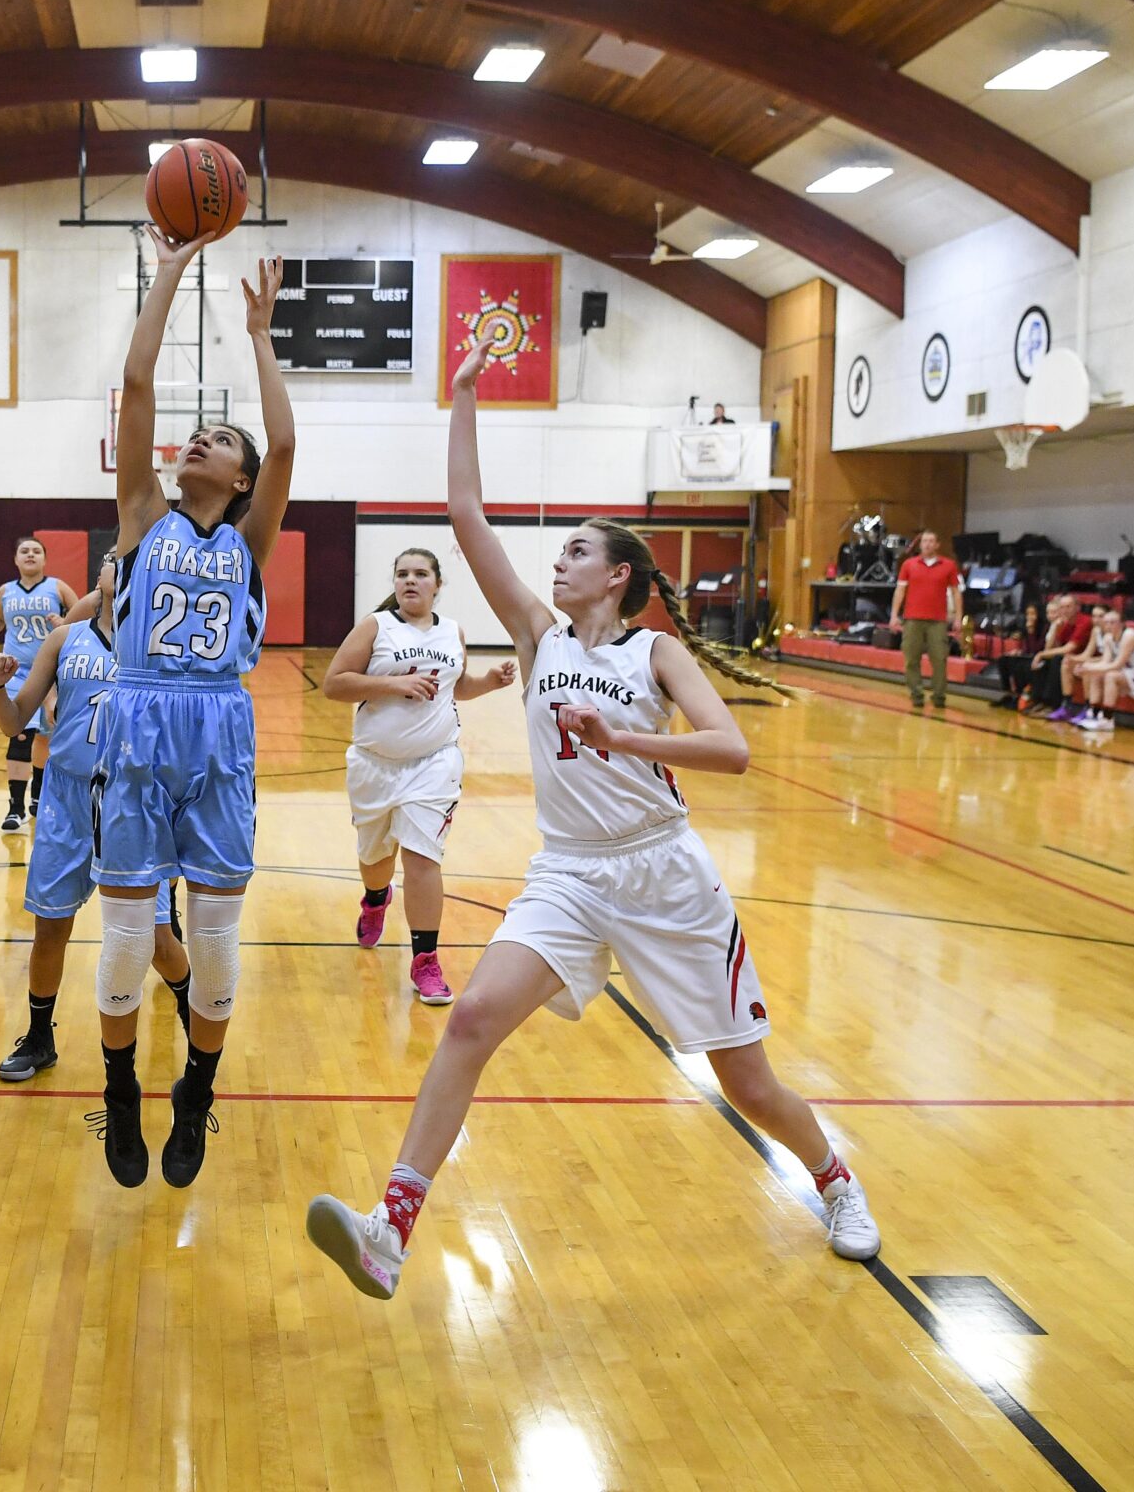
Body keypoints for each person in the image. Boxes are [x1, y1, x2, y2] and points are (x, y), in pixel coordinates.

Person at [304, 339, 875, 1303]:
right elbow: (464, 514)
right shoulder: (536, 635)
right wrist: (464, 396)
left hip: (663, 874)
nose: (557, 561)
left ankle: (836, 1180)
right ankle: (390, 1231)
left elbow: (731, 750)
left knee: (747, 1082)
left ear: (616, 577)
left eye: (576, 551)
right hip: (569, 871)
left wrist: (623, 740)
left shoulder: (654, 654)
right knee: (474, 1019)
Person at [90, 232, 296, 1190]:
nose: (195, 441)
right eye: (195, 436)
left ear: (244, 480)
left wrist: (260, 334)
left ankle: (197, 1091)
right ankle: (122, 1090)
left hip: (218, 727)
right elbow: (137, 388)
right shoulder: (141, 514)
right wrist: (171, 267)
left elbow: (284, 440)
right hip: (135, 721)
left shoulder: (250, 541)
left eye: (218, 441)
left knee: (213, 946)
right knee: (131, 936)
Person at [0, 550, 192, 1082]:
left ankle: (198, 1018)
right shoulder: (63, 640)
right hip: (67, 798)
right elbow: (13, 724)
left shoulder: (160, 647)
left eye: (134, 564)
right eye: (114, 562)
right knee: (50, 928)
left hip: (135, 801)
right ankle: (39, 1036)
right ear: (98, 577)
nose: (122, 571)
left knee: (159, 940)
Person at [325, 547, 515, 1004]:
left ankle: (425, 960)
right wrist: (392, 684)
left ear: (437, 583)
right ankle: (375, 898)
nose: (411, 580)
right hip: (375, 764)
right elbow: (335, 683)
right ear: (394, 582)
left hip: (434, 762)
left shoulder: (452, 632)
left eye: (421, 573)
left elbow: (456, 686)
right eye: (402, 573)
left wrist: (488, 681)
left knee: (424, 857)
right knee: (375, 859)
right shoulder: (376, 626)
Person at [0, 536, 77, 830]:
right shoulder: (5, 591)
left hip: (50, 673)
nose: (30, 555)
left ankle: (37, 798)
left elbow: (83, 615)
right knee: (19, 736)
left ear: (45, 559)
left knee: (46, 737)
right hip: (15, 672)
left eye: (36, 551)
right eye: (24, 551)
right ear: (16, 559)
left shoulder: (57, 587)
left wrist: (64, 622)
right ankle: (15, 807)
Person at [888, 529, 962, 711]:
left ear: (937, 545)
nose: (927, 544)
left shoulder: (949, 565)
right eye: (924, 541)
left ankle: (939, 695)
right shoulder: (909, 565)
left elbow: (955, 592)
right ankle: (917, 694)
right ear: (920, 545)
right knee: (911, 659)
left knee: (939, 659)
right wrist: (894, 615)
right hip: (912, 619)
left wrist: (958, 617)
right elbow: (900, 591)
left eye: (931, 541)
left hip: (938, 621)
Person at [1065, 606, 1134, 732]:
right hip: (1131, 672)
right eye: (1107, 622)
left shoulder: (1129, 636)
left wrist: (1090, 668)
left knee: (1111, 675)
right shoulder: (1108, 638)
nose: (1109, 625)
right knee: (1096, 674)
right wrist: (1086, 668)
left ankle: (1107, 719)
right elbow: (1105, 662)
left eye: (1113, 622)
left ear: (1122, 623)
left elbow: (1117, 665)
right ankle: (1093, 714)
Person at [1028, 594, 1095, 719]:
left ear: (1077, 608)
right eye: (1062, 607)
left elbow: (1069, 648)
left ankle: (1054, 704)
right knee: (1046, 661)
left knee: (1058, 660)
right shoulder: (1065, 623)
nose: (1065, 610)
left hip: (1087, 658)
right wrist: (1055, 628)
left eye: (1068, 607)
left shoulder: (1084, 621)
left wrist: (1041, 654)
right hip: (1073, 658)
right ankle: (1039, 700)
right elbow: (1052, 648)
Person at [990, 600, 1046, 711]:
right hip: (1028, 656)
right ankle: (1009, 693)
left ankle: (1022, 694)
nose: (1030, 617)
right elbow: (1027, 648)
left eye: (1033, 614)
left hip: (1040, 658)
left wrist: (1031, 632)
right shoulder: (1026, 627)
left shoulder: (1044, 628)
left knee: (1021, 666)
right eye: (1028, 614)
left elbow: (1038, 648)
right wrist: (1018, 651)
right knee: (1003, 660)